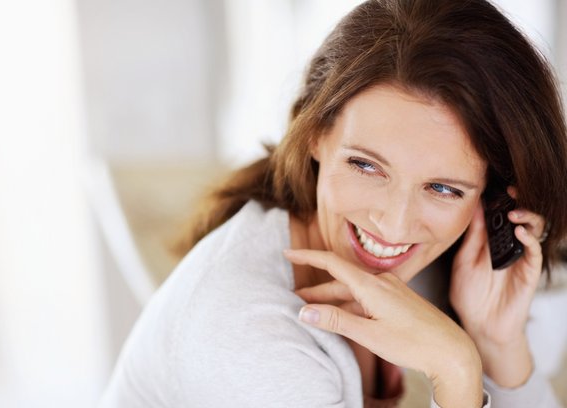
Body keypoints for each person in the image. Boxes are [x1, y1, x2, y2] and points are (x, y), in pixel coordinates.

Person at [99, 0, 567, 407]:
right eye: (366, 166)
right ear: (315, 134)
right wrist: (458, 369)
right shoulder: (252, 334)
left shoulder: (434, 270)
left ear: (491, 197)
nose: (394, 224)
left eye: (444, 189)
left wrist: (496, 343)